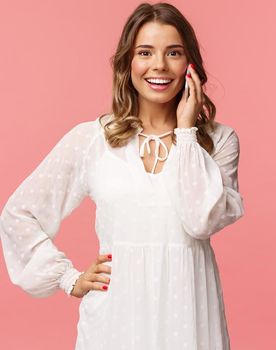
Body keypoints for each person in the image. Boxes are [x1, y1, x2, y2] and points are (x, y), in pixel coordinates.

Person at [0, 2, 245, 349]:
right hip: (116, 319)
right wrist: (69, 278)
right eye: (145, 52)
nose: (158, 65)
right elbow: (19, 214)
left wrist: (187, 133)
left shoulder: (219, 142)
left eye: (173, 52)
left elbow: (199, 222)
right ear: (127, 62)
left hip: (188, 316)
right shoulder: (92, 140)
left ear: (190, 64)